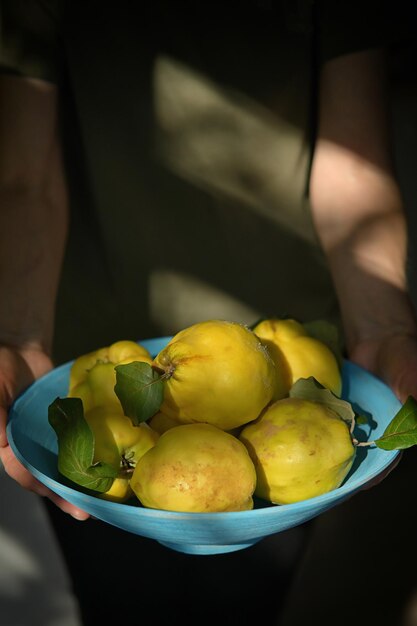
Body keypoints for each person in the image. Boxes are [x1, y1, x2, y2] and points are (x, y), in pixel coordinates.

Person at [1, 1, 416, 624]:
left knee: (250, 600)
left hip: (295, 377)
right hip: (92, 376)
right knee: (117, 595)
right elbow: (25, 177)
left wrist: (386, 326)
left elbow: (353, 165)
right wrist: (15, 330)